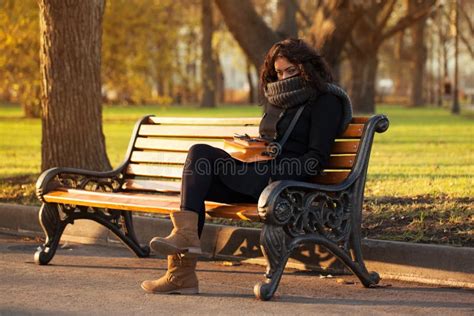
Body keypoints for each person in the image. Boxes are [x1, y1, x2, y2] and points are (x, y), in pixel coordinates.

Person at [140, 38, 353, 294]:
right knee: (198, 162)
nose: (284, 77)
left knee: (201, 161)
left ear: (307, 67)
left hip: (286, 186)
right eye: (279, 72)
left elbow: (315, 161)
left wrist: (273, 167)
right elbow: (270, 140)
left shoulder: (325, 100)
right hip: (257, 177)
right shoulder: (279, 98)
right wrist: (254, 149)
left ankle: (181, 267)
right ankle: (180, 273)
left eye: (291, 71)